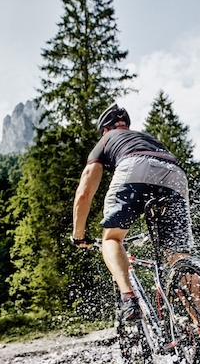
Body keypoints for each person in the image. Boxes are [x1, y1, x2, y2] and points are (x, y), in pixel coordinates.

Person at [71, 103, 193, 321]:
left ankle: (129, 298)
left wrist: (78, 235)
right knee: (178, 258)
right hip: (175, 173)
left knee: (112, 239)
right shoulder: (145, 137)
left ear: (105, 130)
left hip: (135, 166)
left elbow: (83, 194)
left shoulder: (106, 140)